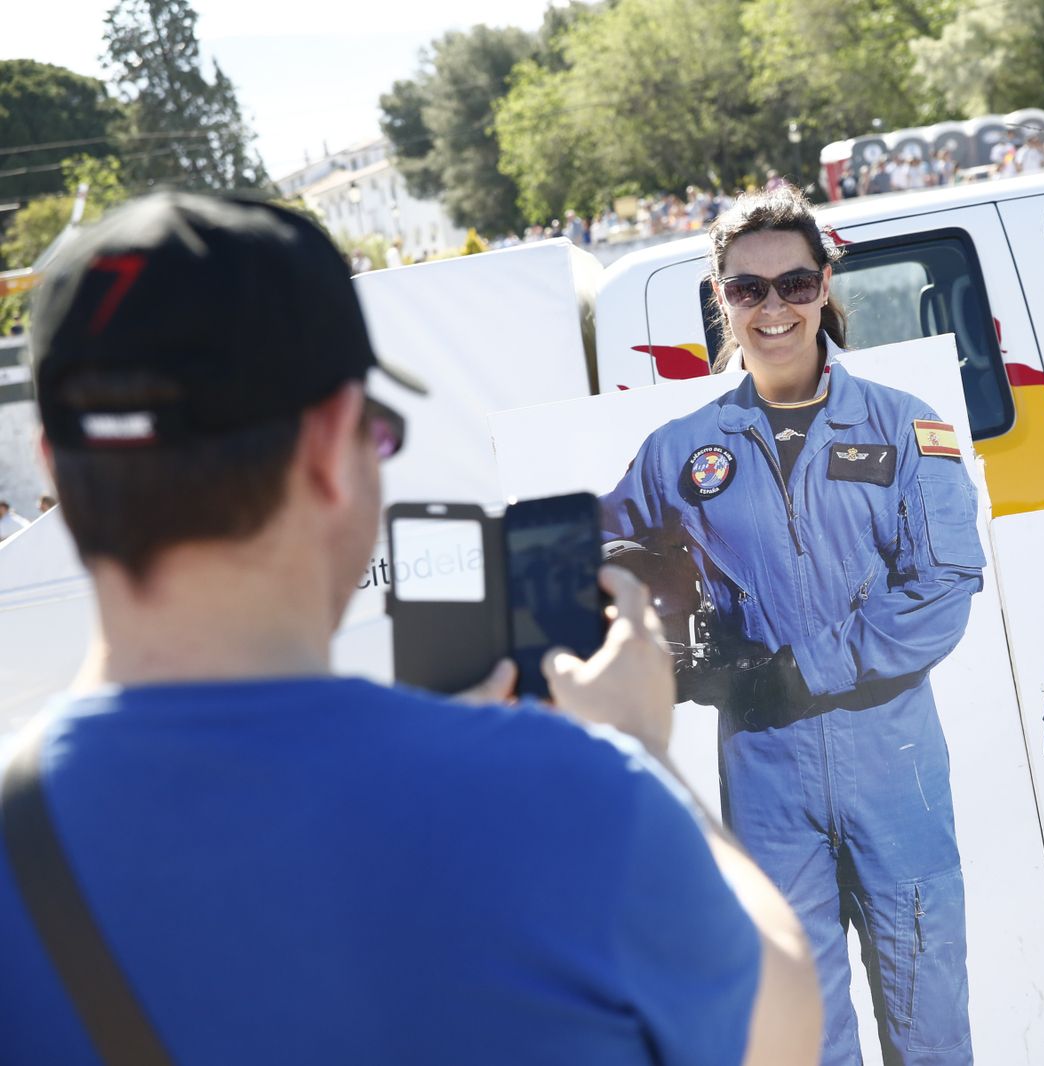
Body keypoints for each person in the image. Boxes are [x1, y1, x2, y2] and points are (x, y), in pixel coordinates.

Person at [0, 191, 821, 1066]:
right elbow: (779, 1031)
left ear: (57, 472)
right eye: (377, 432)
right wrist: (644, 758)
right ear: (330, 453)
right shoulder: (577, 797)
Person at [600, 186, 984, 1066]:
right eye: (747, 290)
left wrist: (804, 668)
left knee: (930, 1016)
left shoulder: (903, 425)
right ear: (721, 298)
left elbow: (944, 589)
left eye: (794, 283)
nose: (773, 308)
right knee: (800, 1027)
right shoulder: (680, 450)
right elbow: (608, 544)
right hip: (764, 766)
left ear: (824, 286)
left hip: (893, 761)